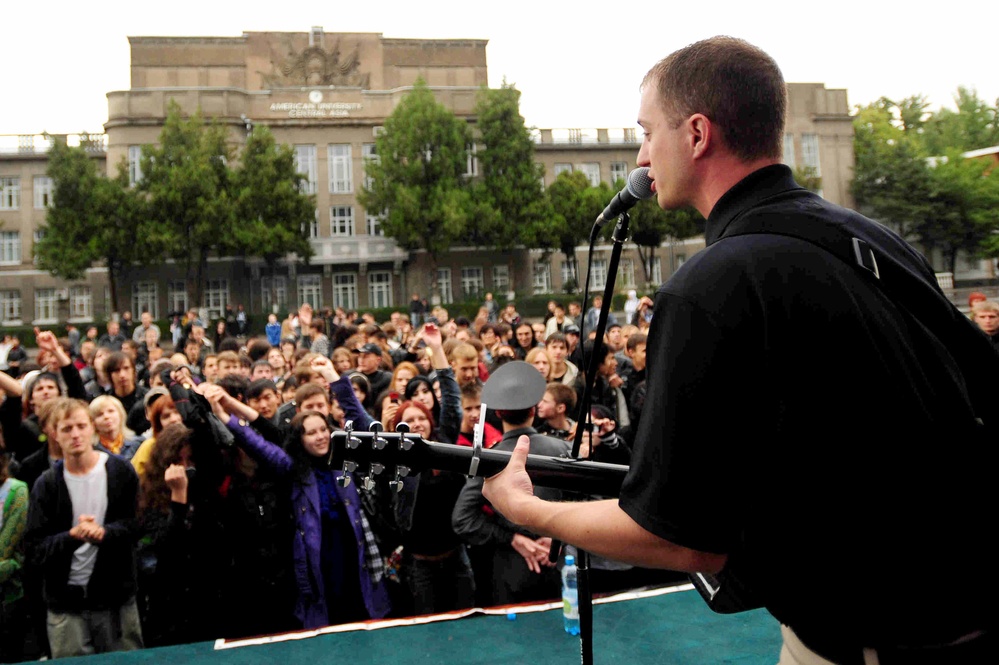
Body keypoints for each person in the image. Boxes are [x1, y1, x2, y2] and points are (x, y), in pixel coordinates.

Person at [481, 36, 996, 665]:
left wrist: (529, 509)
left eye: (646, 132)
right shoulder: (873, 239)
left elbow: (684, 541)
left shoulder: (712, 286)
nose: (641, 157)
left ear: (697, 134)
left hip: (870, 642)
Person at [24, 398, 143, 658]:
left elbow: (138, 526)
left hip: (115, 601)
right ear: (54, 434)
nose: (75, 435)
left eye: (80, 426)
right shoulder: (47, 485)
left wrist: (105, 533)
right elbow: (33, 548)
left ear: (92, 427)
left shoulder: (120, 471)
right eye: (67, 429)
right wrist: (71, 537)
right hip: (66, 605)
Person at [452, 362, 570, 606]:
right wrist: (561, 538)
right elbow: (587, 502)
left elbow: (463, 518)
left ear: (498, 413)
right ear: (534, 411)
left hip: (512, 571)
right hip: (561, 564)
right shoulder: (562, 449)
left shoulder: (490, 458)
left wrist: (512, 538)